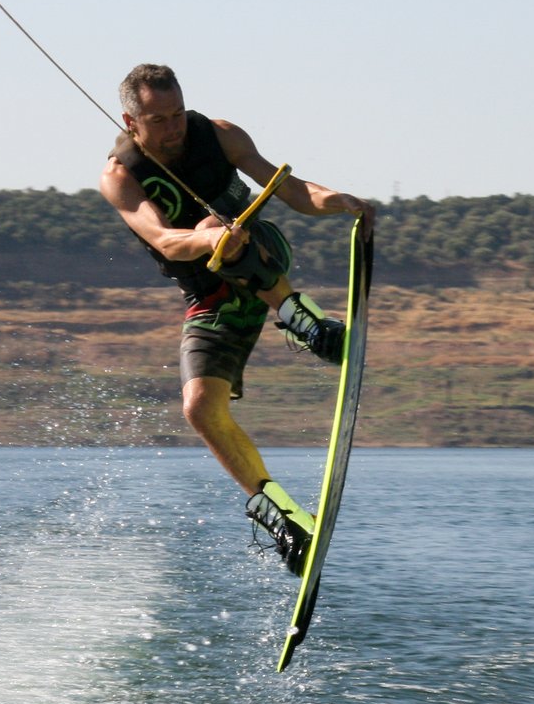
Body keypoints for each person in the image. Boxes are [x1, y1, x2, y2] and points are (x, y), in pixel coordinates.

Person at [99, 63, 375, 575]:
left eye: (178, 113)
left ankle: (305, 319)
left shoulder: (220, 135)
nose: (174, 127)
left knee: (218, 226)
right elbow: (163, 239)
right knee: (199, 408)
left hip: (261, 257)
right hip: (211, 297)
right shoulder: (120, 177)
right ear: (131, 121)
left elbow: (291, 191)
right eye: (159, 119)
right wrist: (207, 240)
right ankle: (285, 517)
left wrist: (337, 201)